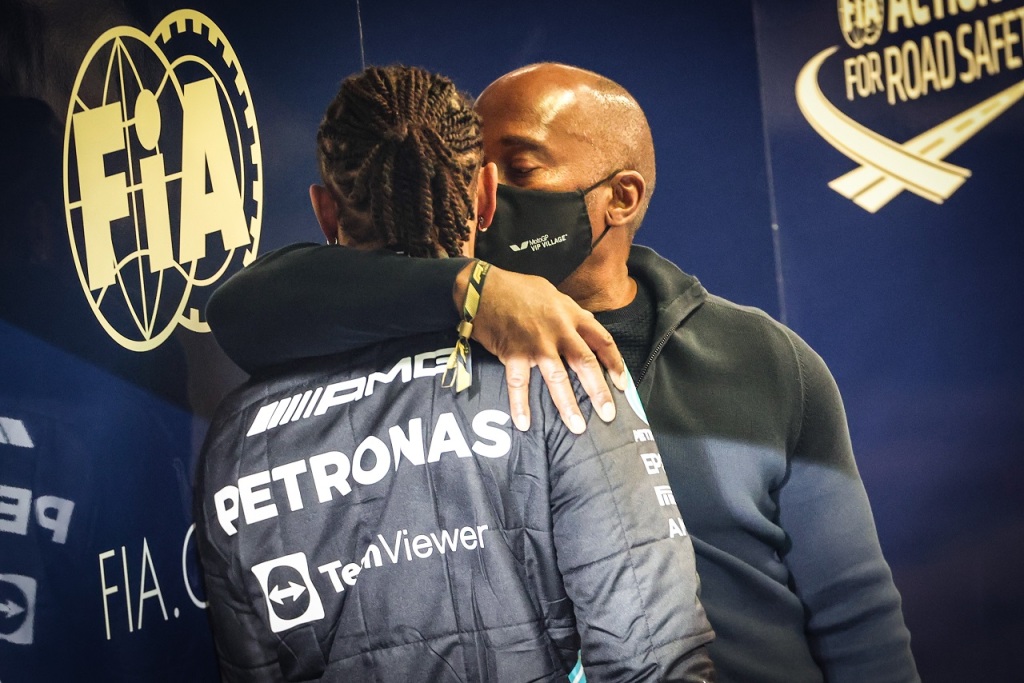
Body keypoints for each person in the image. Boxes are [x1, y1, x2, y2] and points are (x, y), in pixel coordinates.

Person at [206, 62, 921, 682]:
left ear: (621, 197)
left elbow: (857, 614)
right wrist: (472, 289)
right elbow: (245, 303)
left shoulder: (762, 357)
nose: (485, 191)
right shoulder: (441, 339)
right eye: (473, 167)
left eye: (520, 168)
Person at [194, 64, 715, 682]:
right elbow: (653, 657)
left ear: (325, 212)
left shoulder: (236, 436)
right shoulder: (558, 367)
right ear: (487, 195)